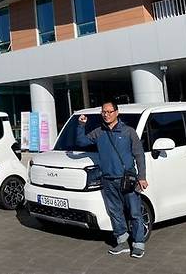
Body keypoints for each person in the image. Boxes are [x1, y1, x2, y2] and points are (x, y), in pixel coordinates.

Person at [76, 100, 148, 258]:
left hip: (127, 179)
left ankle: (138, 244)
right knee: (115, 212)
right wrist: (81, 125)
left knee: (134, 213)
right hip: (108, 180)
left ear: (117, 112)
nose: (106, 115)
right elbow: (81, 142)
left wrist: (142, 176)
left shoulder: (128, 131)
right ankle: (122, 242)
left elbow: (139, 155)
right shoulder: (99, 132)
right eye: (103, 112)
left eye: (109, 112)